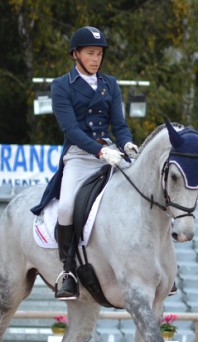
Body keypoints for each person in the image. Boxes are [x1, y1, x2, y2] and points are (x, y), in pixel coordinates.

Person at [31, 26, 139, 300]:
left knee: (141, 192)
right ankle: (67, 272)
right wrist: (100, 153)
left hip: (111, 152)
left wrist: (126, 144)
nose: (96, 58)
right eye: (90, 53)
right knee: (66, 207)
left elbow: (120, 124)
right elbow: (72, 130)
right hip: (80, 156)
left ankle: (150, 264)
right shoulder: (61, 86)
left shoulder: (110, 84)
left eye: (99, 53)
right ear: (75, 54)